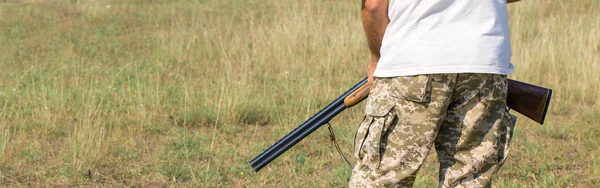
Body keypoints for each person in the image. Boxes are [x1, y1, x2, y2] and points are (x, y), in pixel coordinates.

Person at [350, 0, 516, 187]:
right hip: (485, 58)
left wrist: (377, 60)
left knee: (383, 177)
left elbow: (374, 5)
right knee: (470, 178)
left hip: (413, 59)